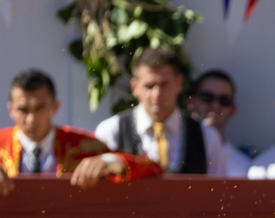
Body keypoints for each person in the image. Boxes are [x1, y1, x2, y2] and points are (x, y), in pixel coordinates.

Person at [0, 69, 160, 193]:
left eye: (40, 108)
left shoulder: (85, 146)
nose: (31, 118)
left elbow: (151, 167)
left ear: (55, 107)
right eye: (23, 109)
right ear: (11, 110)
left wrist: (110, 162)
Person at [95, 48, 227, 176]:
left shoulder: (207, 137)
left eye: (164, 85)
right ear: (135, 87)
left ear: (179, 83)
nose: (157, 94)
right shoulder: (111, 131)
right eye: (149, 86)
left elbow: (218, 194)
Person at [187, 69, 250, 178]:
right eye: (207, 97)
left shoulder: (245, 167)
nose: (215, 105)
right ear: (191, 102)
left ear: (232, 109)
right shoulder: (175, 152)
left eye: (224, 100)